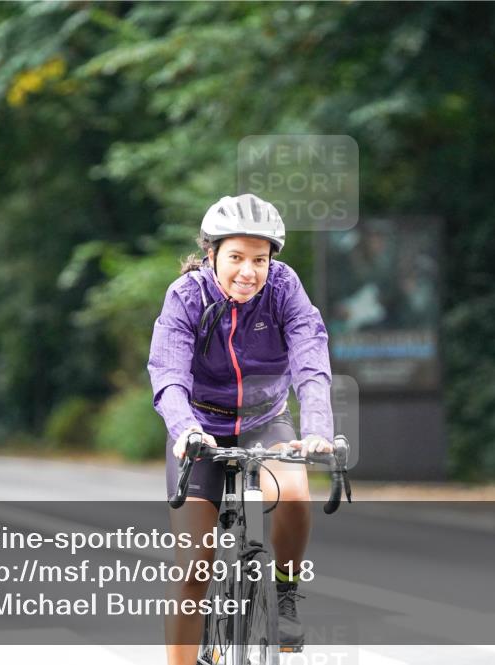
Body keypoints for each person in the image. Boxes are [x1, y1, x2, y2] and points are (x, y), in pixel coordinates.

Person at [148, 193, 334, 665]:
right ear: (211, 254)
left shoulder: (285, 289)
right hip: (200, 427)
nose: (248, 271)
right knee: (193, 569)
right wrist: (186, 430)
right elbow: (168, 373)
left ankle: (286, 594)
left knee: (293, 491)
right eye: (236, 257)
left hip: (264, 420)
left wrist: (316, 429)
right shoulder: (186, 296)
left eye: (259, 259)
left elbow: (310, 358)